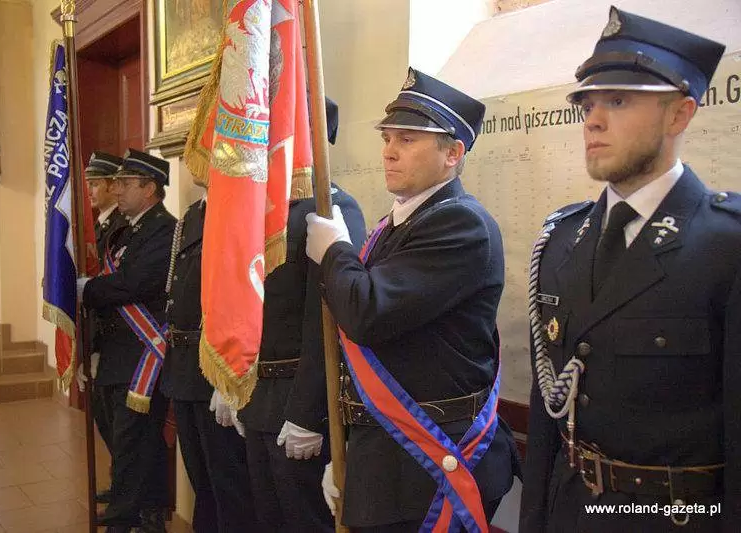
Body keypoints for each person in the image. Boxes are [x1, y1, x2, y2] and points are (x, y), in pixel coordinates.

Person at [519, 7, 737, 532]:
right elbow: (548, 419)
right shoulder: (562, 240)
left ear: (679, 115)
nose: (592, 120)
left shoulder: (726, 245)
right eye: (588, 104)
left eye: (617, 101)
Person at [305, 69, 519, 532]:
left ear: (452, 153)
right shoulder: (399, 223)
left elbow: (365, 312)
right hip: (388, 453)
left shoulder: (460, 223)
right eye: (387, 138)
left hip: (431, 457)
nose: (389, 150)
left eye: (407, 139)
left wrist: (336, 250)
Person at [239, 97, 367, 532]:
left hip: (299, 399)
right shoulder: (266, 211)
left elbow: (327, 323)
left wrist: (308, 413)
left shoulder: (332, 209)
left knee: (304, 521)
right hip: (259, 394)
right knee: (266, 518)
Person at [78, 148, 176, 533]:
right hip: (117, 352)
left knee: (133, 441)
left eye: (125, 183)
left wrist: (87, 289)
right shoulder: (127, 229)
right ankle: (145, 508)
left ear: (149, 188)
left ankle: (125, 519)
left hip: (141, 355)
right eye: (116, 183)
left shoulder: (164, 230)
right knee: (124, 440)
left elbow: (132, 283)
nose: (116, 190)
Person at [159, 173, 258, 532]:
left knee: (229, 484)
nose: (197, 160)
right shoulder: (192, 215)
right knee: (201, 479)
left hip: (216, 365)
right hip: (185, 367)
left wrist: (230, 376)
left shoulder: (239, 207)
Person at [81, 150, 128, 505]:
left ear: (114, 185)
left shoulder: (121, 228)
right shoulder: (94, 226)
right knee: (104, 419)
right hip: (97, 336)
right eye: (89, 184)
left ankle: (134, 500)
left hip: (120, 339)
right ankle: (120, 484)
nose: (91, 191)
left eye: (96, 183)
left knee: (121, 427)